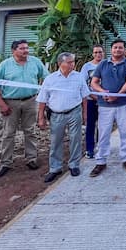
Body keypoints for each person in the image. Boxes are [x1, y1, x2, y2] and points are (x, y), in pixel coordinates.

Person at [0, 39, 48, 178]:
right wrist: (1, 104)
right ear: (14, 51)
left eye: (27, 48)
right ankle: (5, 162)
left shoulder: (35, 62)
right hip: (11, 102)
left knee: (30, 131)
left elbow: (47, 78)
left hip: (30, 101)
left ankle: (31, 159)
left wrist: (43, 96)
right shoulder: (5, 65)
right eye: (22, 48)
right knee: (9, 133)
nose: (26, 51)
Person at [37, 52, 91, 183]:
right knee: (56, 141)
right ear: (60, 63)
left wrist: (85, 114)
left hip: (74, 111)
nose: (72, 64)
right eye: (69, 62)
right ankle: (55, 168)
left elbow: (84, 97)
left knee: (75, 139)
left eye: (73, 62)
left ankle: (74, 165)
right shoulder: (50, 79)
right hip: (56, 114)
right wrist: (41, 117)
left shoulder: (78, 77)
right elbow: (43, 100)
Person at [89, 39, 126, 177]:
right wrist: (103, 92)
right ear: (111, 49)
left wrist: (117, 95)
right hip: (104, 106)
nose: (117, 50)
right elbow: (94, 82)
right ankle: (101, 161)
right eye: (115, 48)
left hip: (123, 104)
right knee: (103, 133)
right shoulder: (103, 64)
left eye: (120, 48)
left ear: (124, 50)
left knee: (125, 132)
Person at [79, 44, 105, 159]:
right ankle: (89, 149)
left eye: (100, 52)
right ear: (92, 53)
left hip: (105, 101)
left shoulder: (107, 64)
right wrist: (93, 95)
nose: (98, 54)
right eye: (95, 52)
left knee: (103, 125)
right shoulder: (86, 67)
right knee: (90, 125)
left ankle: (101, 147)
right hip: (90, 101)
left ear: (103, 53)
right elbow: (83, 84)